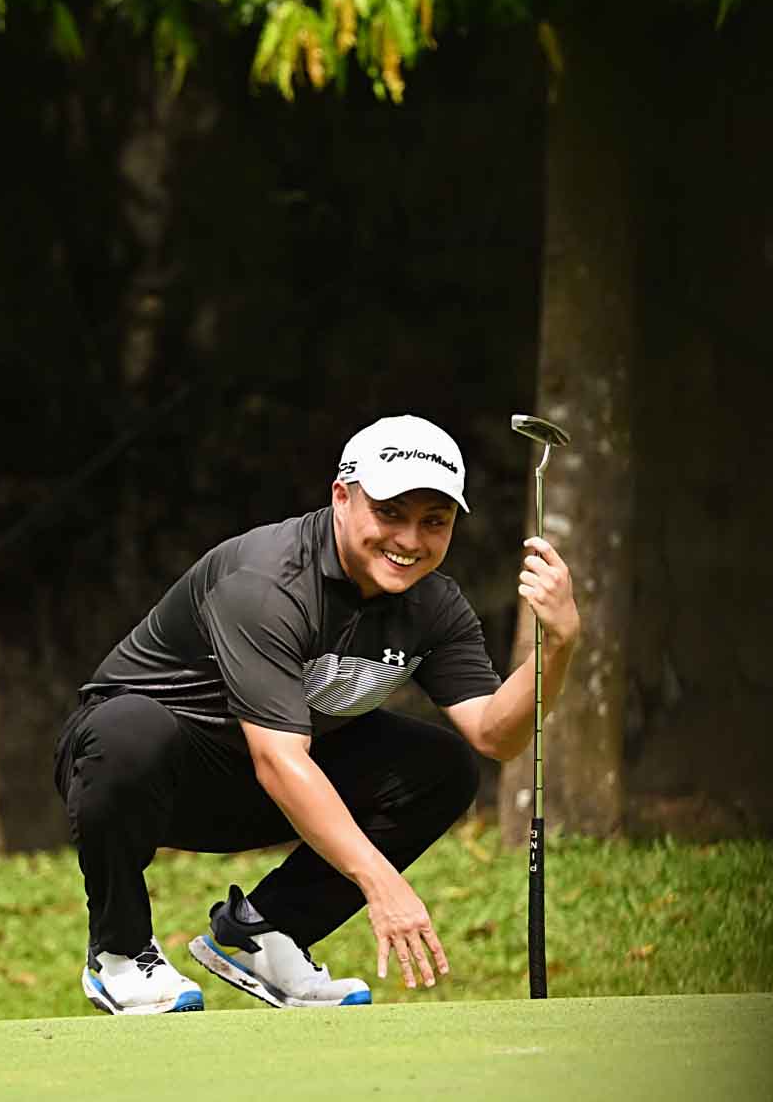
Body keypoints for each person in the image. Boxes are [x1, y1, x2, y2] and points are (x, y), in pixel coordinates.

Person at [53, 415, 581, 1014]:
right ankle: (120, 952)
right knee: (127, 731)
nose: (410, 540)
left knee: (444, 767)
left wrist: (557, 646)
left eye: (434, 522)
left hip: (266, 780)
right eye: (389, 513)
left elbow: (495, 735)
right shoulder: (268, 581)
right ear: (341, 498)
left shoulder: (435, 606)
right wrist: (381, 882)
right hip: (150, 775)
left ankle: (265, 934)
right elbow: (278, 759)